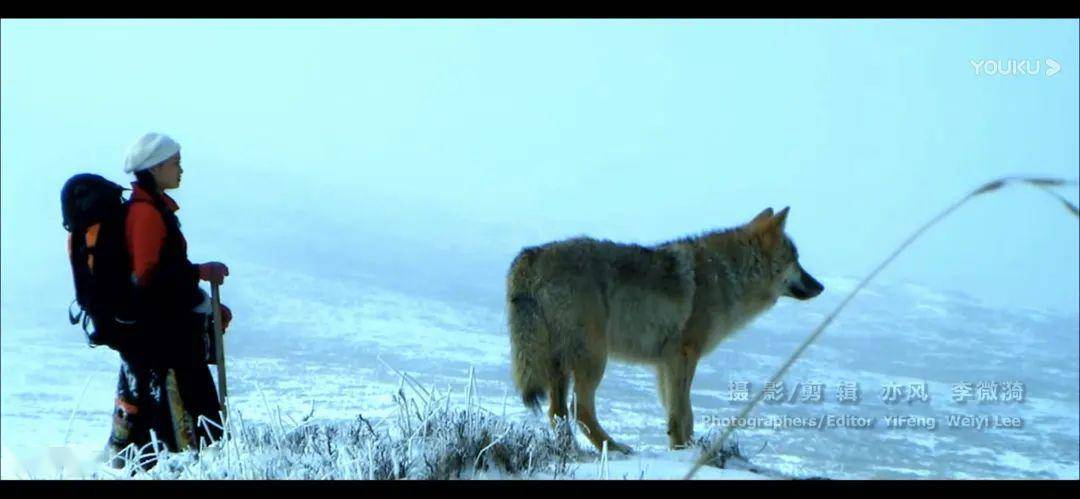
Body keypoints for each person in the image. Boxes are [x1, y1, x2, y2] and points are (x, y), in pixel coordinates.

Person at [105, 132, 233, 471]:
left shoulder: (150, 209)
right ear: (156, 167)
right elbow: (149, 277)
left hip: (159, 336)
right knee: (180, 416)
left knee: (157, 416)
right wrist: (199, 273)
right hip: (164, 339)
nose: (181, 170)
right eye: (175, 163)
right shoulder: (146, 215)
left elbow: (158, 274)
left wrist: (200, 298)